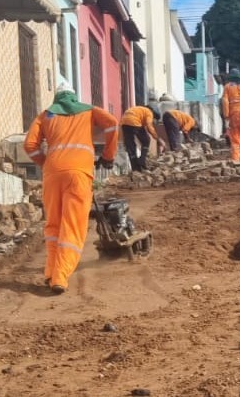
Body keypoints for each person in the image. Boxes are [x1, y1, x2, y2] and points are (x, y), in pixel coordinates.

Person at [24, 83, 119, 294]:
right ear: (74, 98)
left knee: (53, 225)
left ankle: (50, 272)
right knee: (72, 225)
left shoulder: (46, 115)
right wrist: (108, 156)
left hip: (52, 174)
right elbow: (112, 124)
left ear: (56, 98)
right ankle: (60, 276)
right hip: (79, 174)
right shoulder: (89, 110)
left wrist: (46, 163)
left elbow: (29, 145)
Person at [121, 104, 165, 172]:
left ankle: (135, 168)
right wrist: (158, 138)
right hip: (134, 121)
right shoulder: (149, 112)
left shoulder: (141, 110)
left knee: (130, 146)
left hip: (124, 123)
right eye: (154, 120)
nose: (153, 121)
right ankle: (142, 160)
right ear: (154, 114)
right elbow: (149, 126)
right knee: (146, 140)